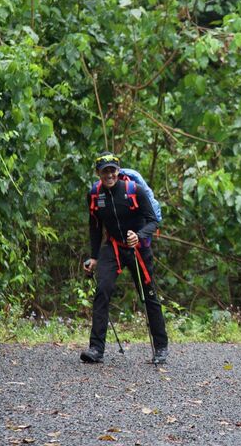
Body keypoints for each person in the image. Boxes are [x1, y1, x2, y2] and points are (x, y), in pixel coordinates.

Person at [81, 152, 168, 365]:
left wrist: (138, 235)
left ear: (118, 171)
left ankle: (161, 348)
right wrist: (94, 257)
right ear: (98, 174)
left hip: (138, 247)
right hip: (114, 248)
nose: (109, 175)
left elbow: (152, 221)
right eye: (105, 171)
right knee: (102, 290)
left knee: (148, 295)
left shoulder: (134, 190)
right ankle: (96, 350)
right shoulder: (95, 195)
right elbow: (95, 227)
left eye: (112, 170)